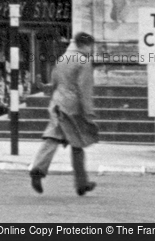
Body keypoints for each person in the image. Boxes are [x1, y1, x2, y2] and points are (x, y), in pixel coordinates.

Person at [29, 32, 99, 196]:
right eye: (92, 47)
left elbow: (54, 82)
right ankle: (40, 170)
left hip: (58, 103)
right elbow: (84, 89)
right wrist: (89, 112)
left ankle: (81, 183)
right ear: (87, 45)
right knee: (75, 142)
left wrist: (54, 101)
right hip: (73, 108)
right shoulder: (83, 61)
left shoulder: (63, 58)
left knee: (64, 140)